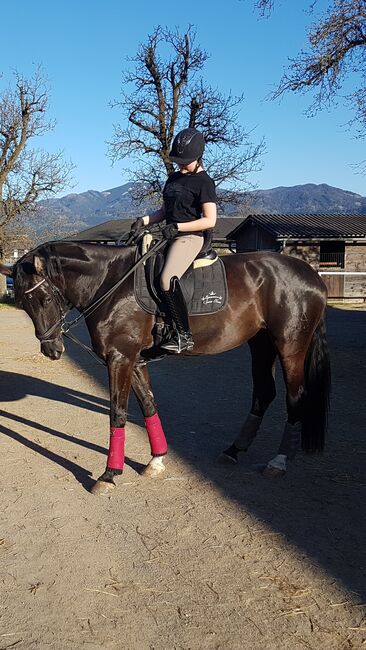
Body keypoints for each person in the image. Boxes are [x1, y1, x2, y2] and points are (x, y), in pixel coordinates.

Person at [131, 127, 217, 353]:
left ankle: (183, 335)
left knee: (167, 279)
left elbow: (209, 220)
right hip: (170, 233)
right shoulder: (173, 179)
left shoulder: (204, 182)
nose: (181, 164)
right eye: (178, 160)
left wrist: (178, 227)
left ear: (198, 157)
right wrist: (144, 220)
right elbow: (164, 211)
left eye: (185, 161)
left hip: (190, 237)